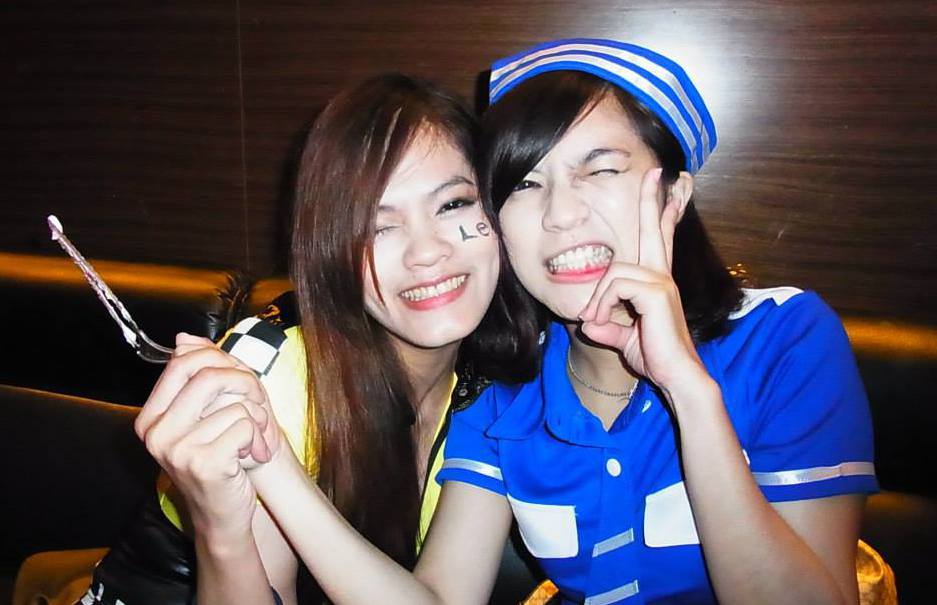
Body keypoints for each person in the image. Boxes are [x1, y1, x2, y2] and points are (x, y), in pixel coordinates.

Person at [136, 40, 877, 605]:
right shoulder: (506, 389)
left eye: (600, 169)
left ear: (673, 196)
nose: (560, 215)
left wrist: (688, 389)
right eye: (524, 183)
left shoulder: (784, 339)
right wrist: (270, 459)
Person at [77, 73, 536, 605]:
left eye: (452, 204)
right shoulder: (268, 375)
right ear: (331, 251)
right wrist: (222, 525)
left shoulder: (497, 376)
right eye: (377, 226)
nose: (427, 252)